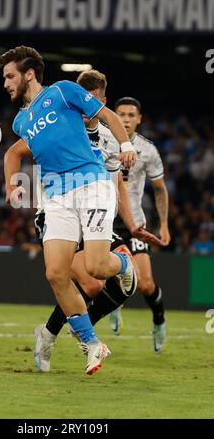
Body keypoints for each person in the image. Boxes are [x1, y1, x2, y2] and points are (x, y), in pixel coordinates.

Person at [0, 46, 137, 375]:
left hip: (92, 185)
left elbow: (108, 116)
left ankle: (123, 262)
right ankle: (92, 344)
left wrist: (126, 145)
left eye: (10, 76)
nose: (6, 83)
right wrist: (11, 184)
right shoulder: (20, 121)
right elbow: (14, 154)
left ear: (29, 74)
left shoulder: (63, 90)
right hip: (57, 198)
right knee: (56, 274)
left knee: (97, 268)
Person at [33, 70, 165, 372]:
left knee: (124, 287)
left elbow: (117, 183)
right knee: (91, 284)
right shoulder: (59, 123)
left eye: (92, 101)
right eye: (81, 100)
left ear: (101, 102)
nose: (85, 106)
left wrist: (132, 224)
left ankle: (54, 331)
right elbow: (24, 150)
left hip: (92, 210)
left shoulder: (109, 139)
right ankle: (81, 337)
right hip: (58, 210)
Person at [109, 97, 170, 353]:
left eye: (131, 115)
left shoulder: (148, 150)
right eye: (120, 114)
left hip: (134, 222)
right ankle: (112, 305)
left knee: (145, 283)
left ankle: (159, 321)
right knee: (100, 272)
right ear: (113, 115)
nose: (125, 119)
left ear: (139, 119)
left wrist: (164, 224)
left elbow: (159, 189)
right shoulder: (103, 141)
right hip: (106, 219)